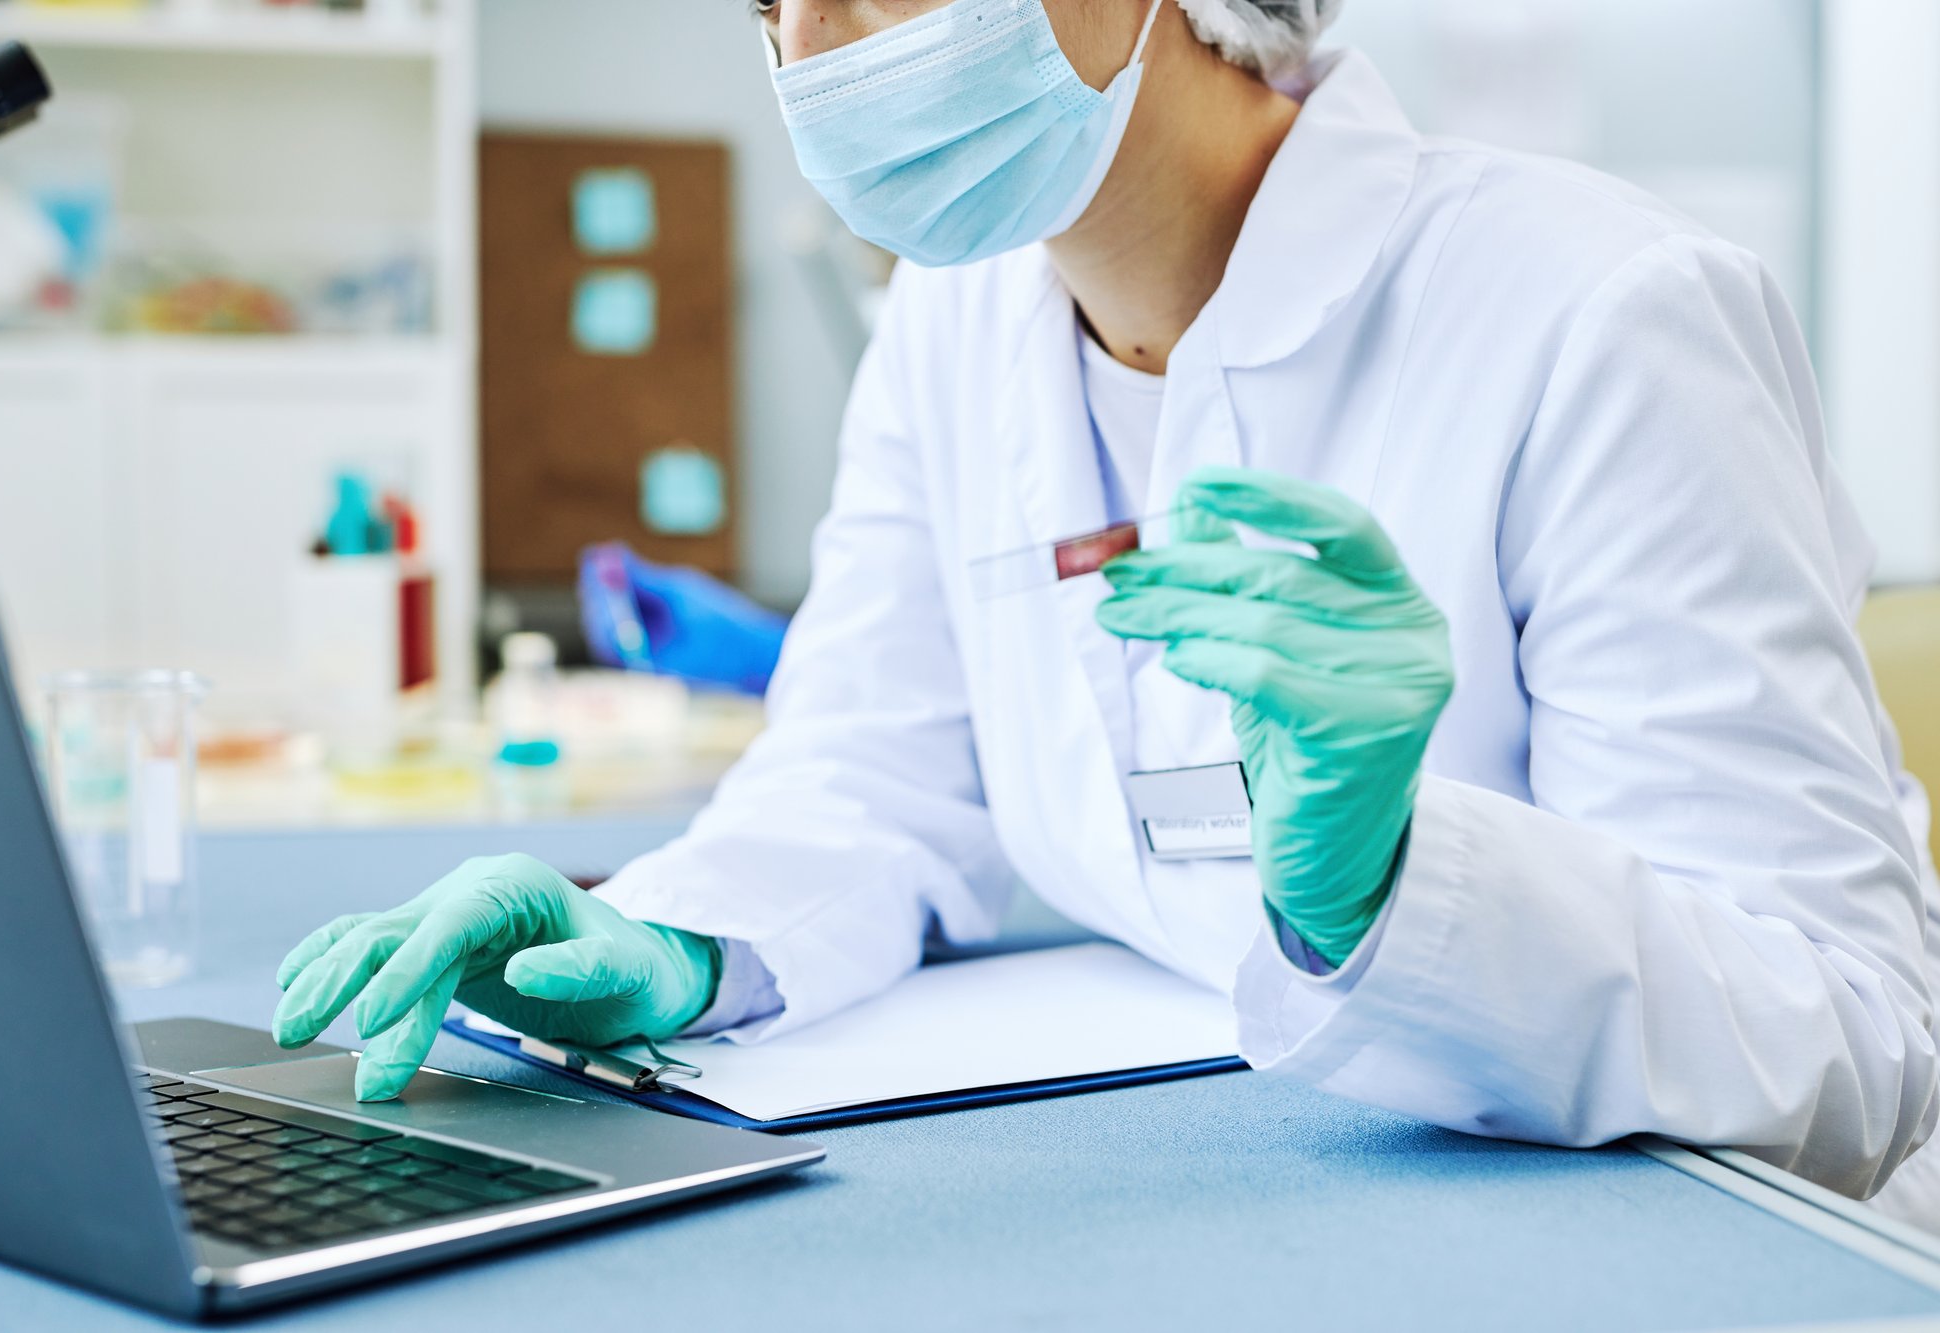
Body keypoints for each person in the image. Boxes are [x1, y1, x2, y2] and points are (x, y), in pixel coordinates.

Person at [272, 0, 1940, 1226]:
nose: (816, 54)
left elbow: (1852, 1036)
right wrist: (673, 935)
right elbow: (871, 774)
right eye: (770, 2)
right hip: (1223, 1208)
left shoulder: (1603, 312)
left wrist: (1400, 883)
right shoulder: (956, 320)